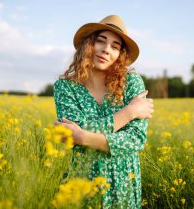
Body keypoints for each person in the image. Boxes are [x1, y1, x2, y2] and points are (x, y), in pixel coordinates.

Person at [53, 15, 154, 208]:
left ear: (120, 55)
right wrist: (129, 113)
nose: (106, 50)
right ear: (88, 44)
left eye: (115, 47)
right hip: (82, 181)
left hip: (124, 183)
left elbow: (135, 140)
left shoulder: (132, 83)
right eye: (101, 41)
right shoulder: (65, 86)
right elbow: (73, 132)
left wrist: (82, 137)